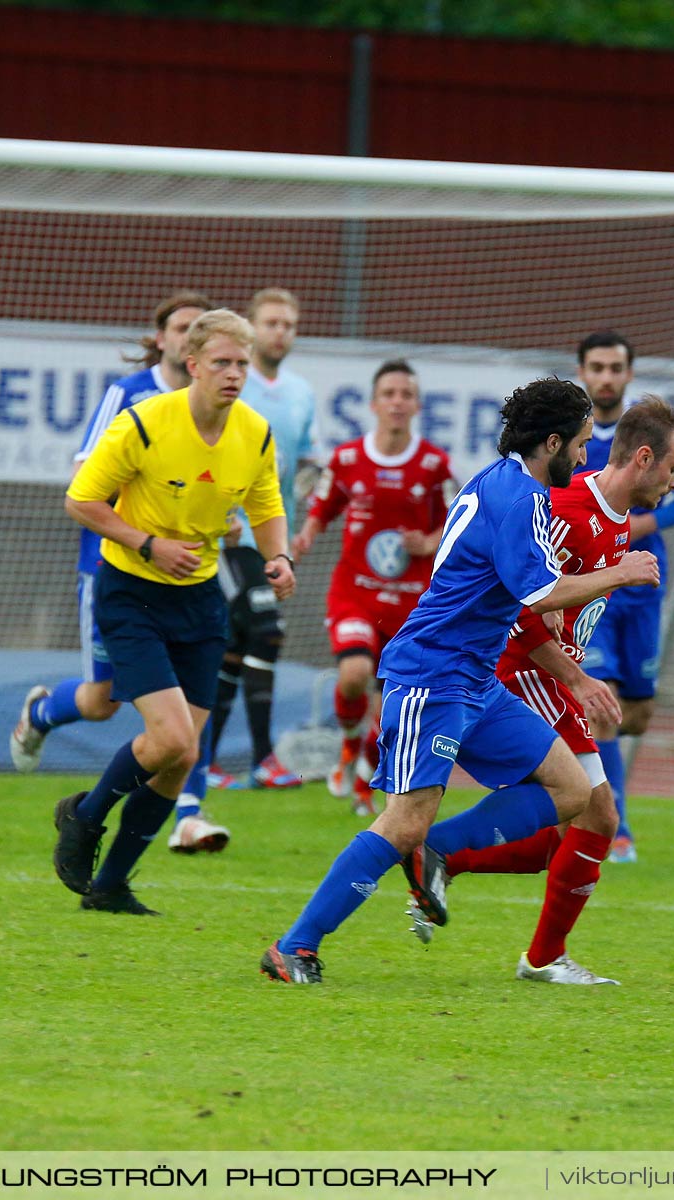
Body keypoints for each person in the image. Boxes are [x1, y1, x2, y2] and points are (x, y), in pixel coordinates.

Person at [259, 378, 660, 984]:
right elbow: (543, 590)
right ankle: (295, 945)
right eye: (579, 444)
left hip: (476, 679)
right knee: (401, 821)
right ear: (551, 441)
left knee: (571, 790)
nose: (585, 457)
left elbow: (528, 584)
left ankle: (436, 848)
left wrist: (555, 598)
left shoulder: (505, 484)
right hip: (433, 675)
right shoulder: (520, 498)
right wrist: (619, 573)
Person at [434, 398, 674, 984]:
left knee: (560, 833)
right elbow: (520, 606)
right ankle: (541, 955)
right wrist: (577, 678)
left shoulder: (617, 516)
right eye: (673, 469)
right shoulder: (568, 507)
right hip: (524, 672)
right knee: (598, 815)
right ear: (643, 458)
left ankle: (442, 855)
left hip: (551, 674)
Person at [51, 309, 295, 915]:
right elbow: (81, 500)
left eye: (242, 364)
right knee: (170, 737)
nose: (235, 374)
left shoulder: (254, 433)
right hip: (130, 591)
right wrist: (148, 543)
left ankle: (109, 886)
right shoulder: (145, 422)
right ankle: (84, 816)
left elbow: (266, 506)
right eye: (223, 363)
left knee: (183, 754)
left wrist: (280, 557)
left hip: (199, 600)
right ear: (192, 364)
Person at [7, 291, 234, 853]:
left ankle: (189, 813)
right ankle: (41, 712)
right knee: (102, 701)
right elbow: (87, 479)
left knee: (187, 702)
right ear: (161, 338)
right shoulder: (129, 396)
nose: (188, 337)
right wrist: (151, 524)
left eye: (199, 330)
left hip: (187, 578)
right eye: (180, 327)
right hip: (114, 573)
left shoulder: (220, 413)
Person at [290, 360, 455, 817]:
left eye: (406, 394)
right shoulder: (347, 459)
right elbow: (322, 509)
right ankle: (347, 746)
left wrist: (428, 541)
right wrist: (300, 541)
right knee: (353, 673)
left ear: (417, 404)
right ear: (374, 403)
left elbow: (457, 525)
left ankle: (364, 776)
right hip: (355, 593)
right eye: (389, 394)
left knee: (393, 712)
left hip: (411, 603)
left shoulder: (433, 465)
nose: (398, 402)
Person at [572, 332, 674, 863]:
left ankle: (580, 776)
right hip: (592, 587)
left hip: (643, 584)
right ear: (583, 372)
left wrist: (637, 524)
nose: (606, 376)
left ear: (628, 374)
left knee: (638, 712)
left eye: (615, 367)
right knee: (600, 706)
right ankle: (615, 827)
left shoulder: (652, 434)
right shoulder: (574, 437)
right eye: (597, 367)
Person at [205, 287, 316, 792]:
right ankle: (264, 758)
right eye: (271, 323)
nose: (280, 332)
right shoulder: (234, 385)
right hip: (232, 535)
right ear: (252, 328)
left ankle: (203, 759)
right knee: (267, 631)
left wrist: (307, 511)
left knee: (238, 643)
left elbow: (308, 460)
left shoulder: (300, 392)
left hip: (274, 534)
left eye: (288, 324)